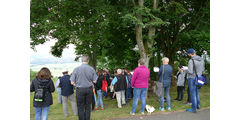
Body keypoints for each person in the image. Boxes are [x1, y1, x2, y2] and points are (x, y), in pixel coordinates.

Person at [70, 55, 98, 120]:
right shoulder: (91, 69)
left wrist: (76, 85)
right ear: (88, 60)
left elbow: (72, 82)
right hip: (89, 89)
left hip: (79, 90)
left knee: (80, 107)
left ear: (81, 60)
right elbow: (95, 81)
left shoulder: (76, 69)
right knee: (88, 106)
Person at [186, 49, 205, 113]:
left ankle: (194, 109)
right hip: (199, 78)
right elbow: (203, 69)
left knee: (193, 93)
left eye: (188, 54)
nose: (188, 55)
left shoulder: (191, 60)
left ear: (190, 54)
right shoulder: (201, 59)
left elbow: (190, 71)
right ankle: (198, 105)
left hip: (192, 78)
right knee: (196, 92)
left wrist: (185, 69)